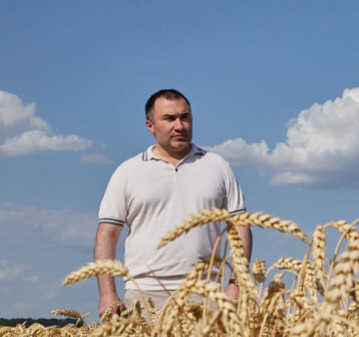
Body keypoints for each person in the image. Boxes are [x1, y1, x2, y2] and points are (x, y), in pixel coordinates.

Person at [94, 89, 252, 318]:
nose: (179, 125)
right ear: (150, 126)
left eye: (185, 117)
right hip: (144, 297)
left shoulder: (217, 166)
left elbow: (240, 226)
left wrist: (236, 284)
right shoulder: (128, 171)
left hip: (207, 296)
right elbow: (106, 234)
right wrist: (107, 293)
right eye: (169, 119)